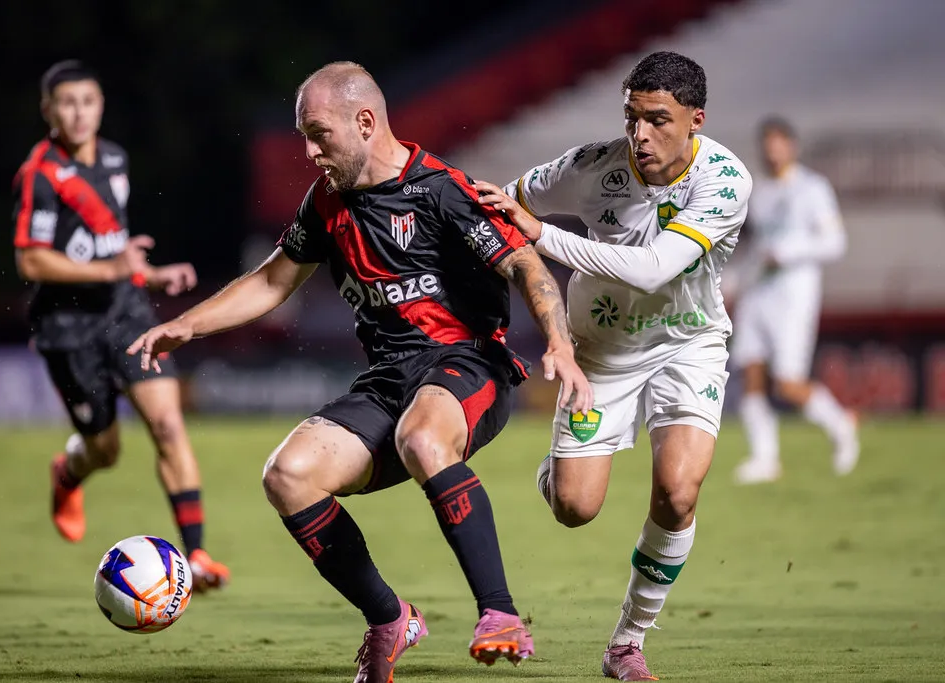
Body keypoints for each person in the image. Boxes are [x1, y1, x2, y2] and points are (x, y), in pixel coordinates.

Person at [129, 61, 592, 682]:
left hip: (467, 365)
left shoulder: (442, 190)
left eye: (319, 133)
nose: (310, 150)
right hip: (388, 382)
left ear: (366, 121)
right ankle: (389, 617)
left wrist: (558, 343)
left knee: (423, 436)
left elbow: (528, 267)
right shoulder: (326, 203)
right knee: (288, 475)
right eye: (303, 136)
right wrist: (186, 325)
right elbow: (271, 281)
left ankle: (500, 613)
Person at [473, 51, 752, 681]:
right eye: (631, 118)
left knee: (678, 492)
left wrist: (539, 235)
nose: (640, 136)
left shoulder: (726, 181)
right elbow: (504, 206)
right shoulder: (590, 166)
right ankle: (562, 468)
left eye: (657, 120)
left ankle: (627, 643)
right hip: (601, 351)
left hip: (689, 343)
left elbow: (655, 268)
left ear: (695, 121)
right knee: (575, 509)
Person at [11, 60, 229, 591]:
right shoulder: (38, 175)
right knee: (105, 450)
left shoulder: (114, 159)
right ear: (48, 110)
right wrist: (109, 268)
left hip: (125, 314)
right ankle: (68, 471)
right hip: (67, 328)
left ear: (100, 105)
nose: (79, 112)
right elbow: (31, 261)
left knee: (168, 425)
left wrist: (149, 275)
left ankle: (197, 555)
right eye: (67, 103)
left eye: (88, 101)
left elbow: (114, 248)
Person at [727, 116, 858, 484]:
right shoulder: (761, 192)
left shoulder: (812, 188)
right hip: (759, 294)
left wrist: (790, 251)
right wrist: (735, 282)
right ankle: (764, 459)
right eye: (767, 145)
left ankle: (840, 424)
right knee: (750, 370)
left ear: (791, 146)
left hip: (794, 295)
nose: (772, 151)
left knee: (787, 382)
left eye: (779, 143)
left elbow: (835, 243)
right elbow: (756, 249)